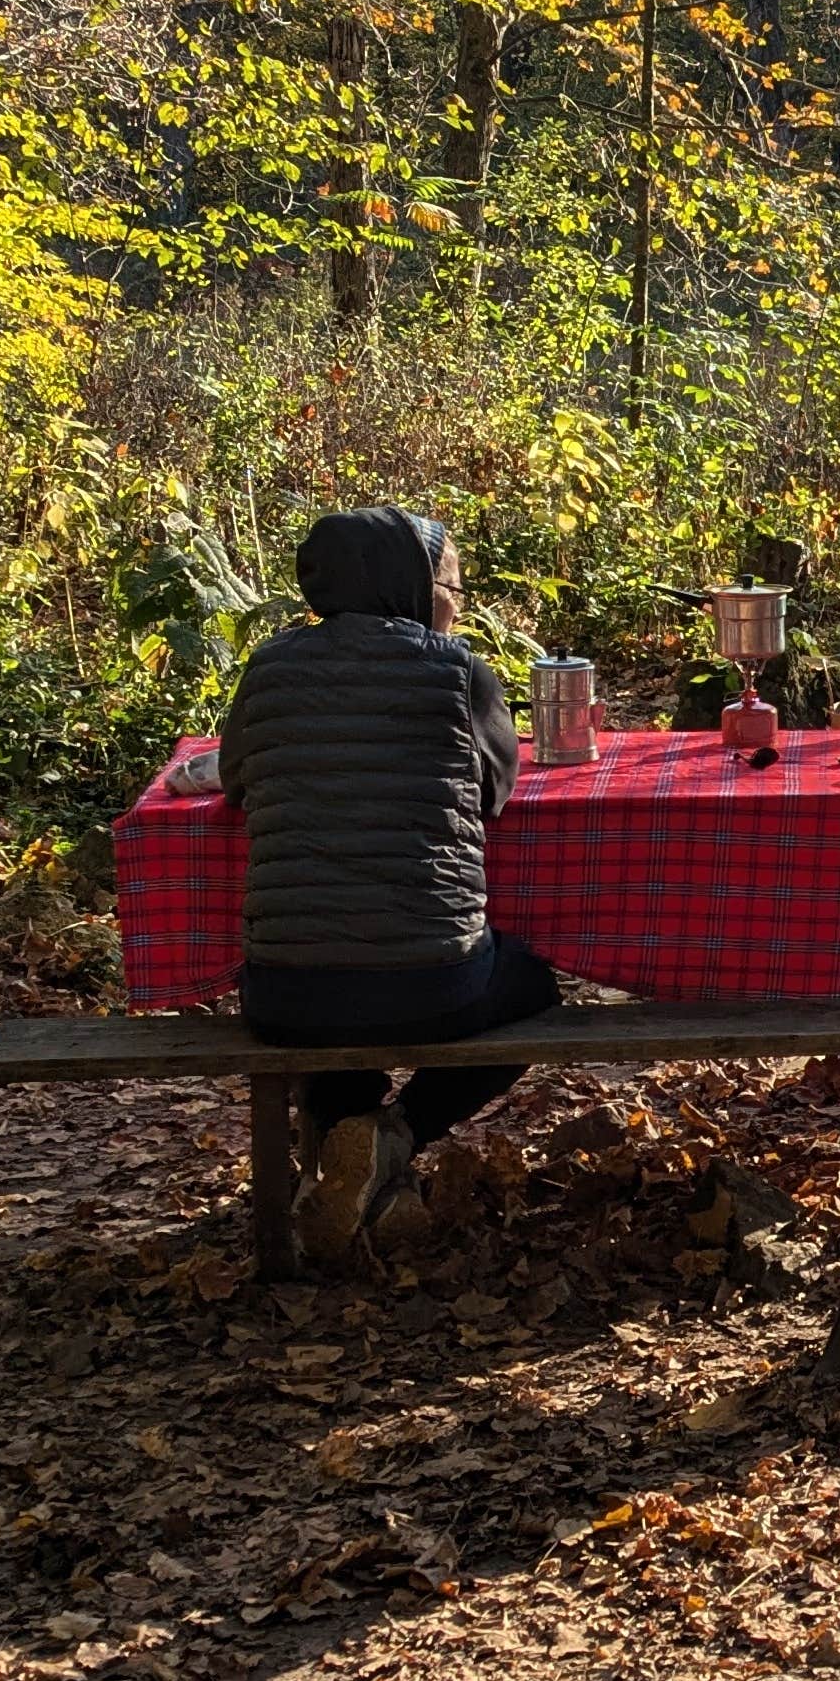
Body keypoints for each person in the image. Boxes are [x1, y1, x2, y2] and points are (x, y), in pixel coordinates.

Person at [218, 507, 561, 1269]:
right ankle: (397, 1135)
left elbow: (235, 779)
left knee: (329, 997)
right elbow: (496, 793)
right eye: (452, 583)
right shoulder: (452, 670)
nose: (459, 600)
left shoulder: (269, 667)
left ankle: (357, 1153)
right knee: (534, 987)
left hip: (282, 997)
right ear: (408, 581)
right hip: (433, 984)